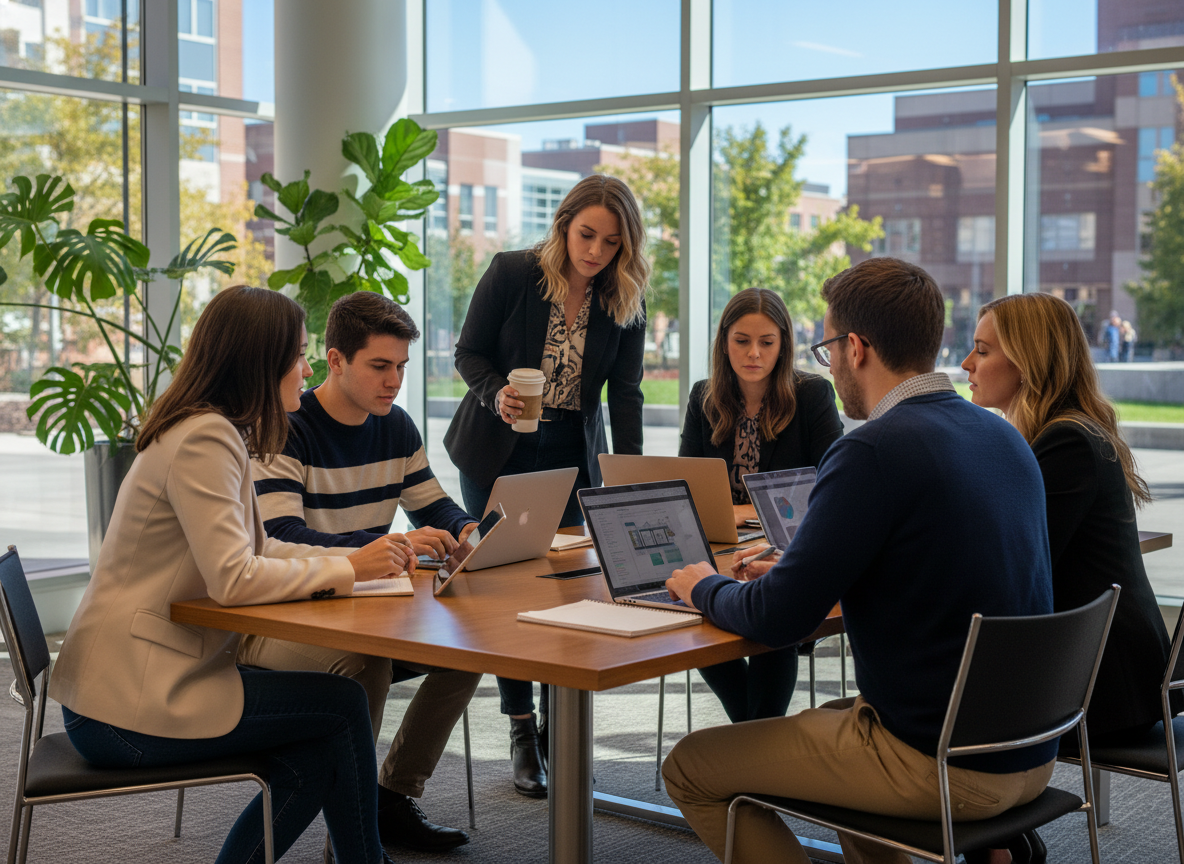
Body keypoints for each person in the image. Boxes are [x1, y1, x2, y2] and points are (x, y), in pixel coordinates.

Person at [661, 258, 1056, 864]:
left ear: (856, 347)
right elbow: (935, 564)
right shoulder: (1001, 436)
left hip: (935, 757)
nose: (829, 364)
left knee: (690, 766)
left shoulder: (871, 449)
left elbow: (778, 622)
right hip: (1030, 749)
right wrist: (802, 573)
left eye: (826, 349)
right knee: (833, 724)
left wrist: (703, 586)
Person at [48, 286, 412, 864]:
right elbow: (234, 579)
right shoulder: (205, 438)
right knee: (342, 707)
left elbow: (260, 547)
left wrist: (357, 567)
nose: (308, 366)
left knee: (319, 749)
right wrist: (346, 566)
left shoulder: (215, 429)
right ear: (259, 362)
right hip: (125, 704)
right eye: (297, 354)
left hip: (140, 682)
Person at [245, 290, 481, 854]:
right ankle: (352, 829)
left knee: (469, 649)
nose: (393, 381)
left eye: (400, 367)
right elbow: (280, 539)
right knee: (366, 663)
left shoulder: (395, 427)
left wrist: (469, 530)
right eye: (380, 366)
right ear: (334, 360)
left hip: (367, 609)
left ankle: (392, 796)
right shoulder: (286, 428)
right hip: (284, 616)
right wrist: (388, 543)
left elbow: (434, 507)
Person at [444, 173, 650, 796]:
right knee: (504, 588)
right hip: (496, 446)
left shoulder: (625, 298)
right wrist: (495, 390)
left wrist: (628, 476)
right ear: (564, 225)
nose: (595, 251)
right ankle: (522, 728)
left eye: (611, 242)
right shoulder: (513, 272)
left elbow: (629, 394)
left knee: (566, 587)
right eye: (587, 234)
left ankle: (563, 725)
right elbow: (468, 352)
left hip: (570, 450)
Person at [962, 292, 1181, 862]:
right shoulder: (1070, 433)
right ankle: (1003, 842)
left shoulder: (1065, 443)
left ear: (1029, 363)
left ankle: (1002, 846)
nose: (965, 364)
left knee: (933, 710)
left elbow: (1014, 568)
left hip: (1102, 689)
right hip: (1113, 668)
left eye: (981, 351)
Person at [679, 287, 843, 722]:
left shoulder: (811, 395)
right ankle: (756, 731)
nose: (753, 353)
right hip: (720, 547)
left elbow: (834, 485)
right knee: (690, 595)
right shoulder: (704, 397)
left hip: (787, 547)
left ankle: (752, 732)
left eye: (766, 343)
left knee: (774, 608)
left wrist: (746, 512)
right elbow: (685, 488)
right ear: (724, 343)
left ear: (783, 345)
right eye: (741, 341)